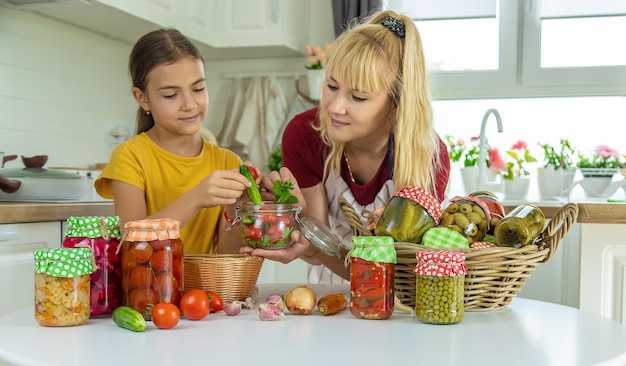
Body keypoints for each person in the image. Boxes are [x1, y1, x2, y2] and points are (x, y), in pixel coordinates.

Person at [241, 10, 450, 283]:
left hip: (399, 297)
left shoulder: (428, 157)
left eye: (358, 97)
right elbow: (317, 246)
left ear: (395, 106)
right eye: (331, 86)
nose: (335, 107)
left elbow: (405, 276)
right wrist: (298, 224)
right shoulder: (305, 135)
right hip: (328, 291)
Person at [95, 29, 253, 255]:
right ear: (143, 98)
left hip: (202, 290)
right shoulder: (130, 157)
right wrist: (197, 198)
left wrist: (237, 208)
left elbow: (228, 255)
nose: (190, 104)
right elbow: (131, 246)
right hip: (147, 289)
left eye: (198, 88)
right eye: (171, 95)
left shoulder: (227, 161)